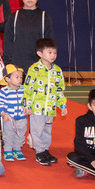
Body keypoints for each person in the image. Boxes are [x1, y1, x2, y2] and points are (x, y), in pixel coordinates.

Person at [23, 38, 67, 166]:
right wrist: (27, 105)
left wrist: (62, 105)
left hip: (50, 108)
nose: (53, 55)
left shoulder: (57, 70)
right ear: (40, 53)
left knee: (47, 130)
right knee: (37, 130)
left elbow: (60, 90)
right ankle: (40, 152)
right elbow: (28, 88)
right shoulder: (34, 69)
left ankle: (45, 150)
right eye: (49, 52)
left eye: (55, 52)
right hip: (37, 108)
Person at [4, 0, 54, 69]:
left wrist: (48, 61)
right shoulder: (13, 17)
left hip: (38, 65)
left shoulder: (44, 17)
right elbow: (8, 42)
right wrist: (9, 63)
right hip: (17, 65)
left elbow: (49, 42)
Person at [0, 64, 27, 161]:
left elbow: (28, 101)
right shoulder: (4, 91)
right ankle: (8, 150)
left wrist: (28, 108)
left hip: (22, 117)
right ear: (7, 79)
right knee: (8, 134)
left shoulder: (24, 90)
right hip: (9, 117)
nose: (20, 79)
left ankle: (17, 149)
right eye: (16, 77)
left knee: (20, 134)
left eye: (21, 77)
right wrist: (3, 113)